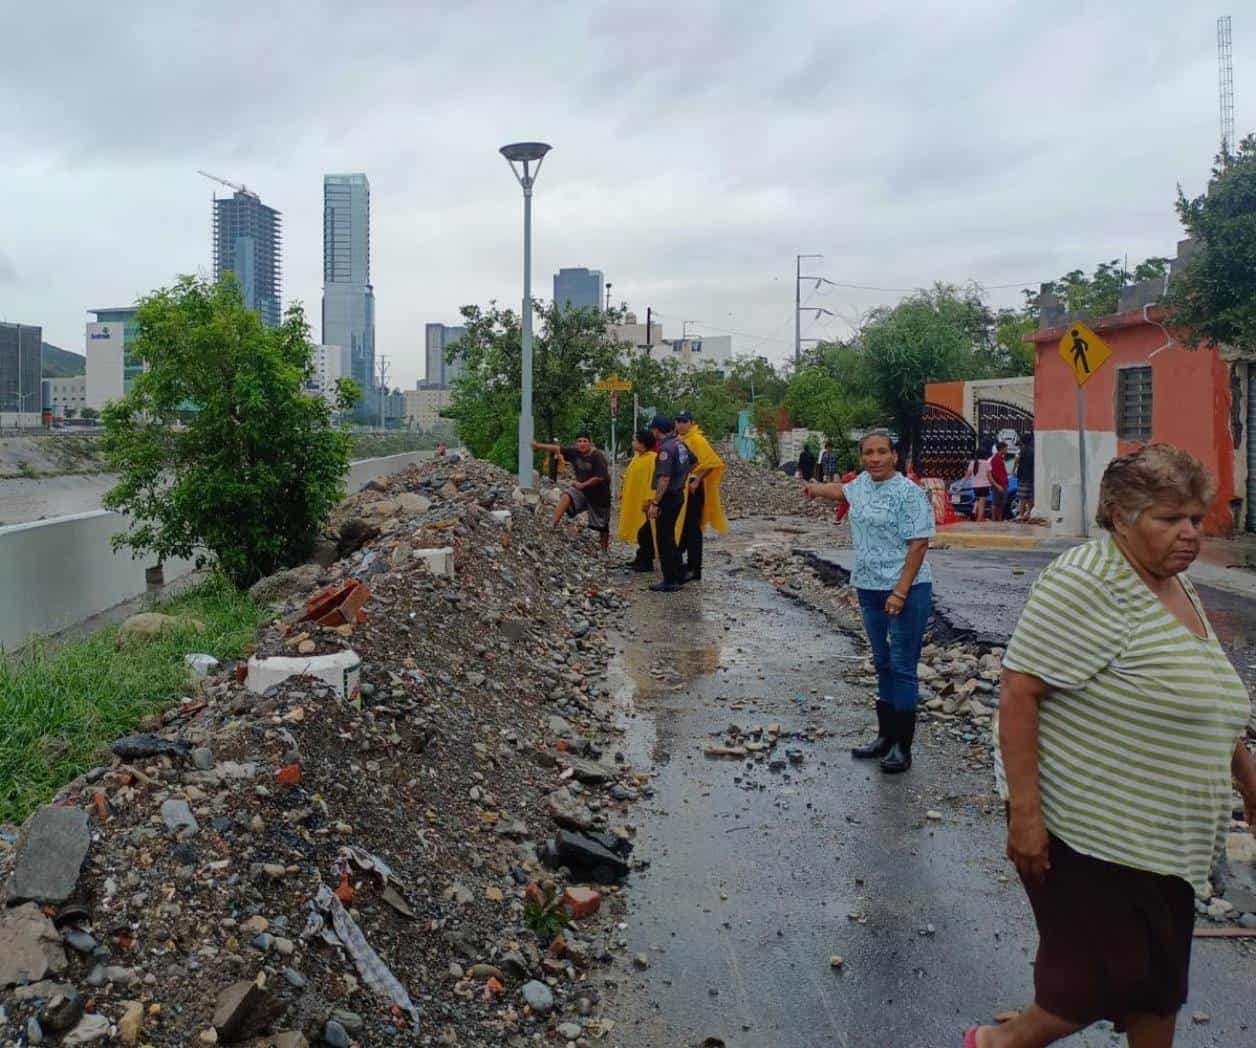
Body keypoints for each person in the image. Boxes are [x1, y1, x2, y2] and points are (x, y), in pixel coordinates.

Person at [968, 444, 1256, 1048]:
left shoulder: (1171, 581)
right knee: (1095, 987)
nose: (1189, 534)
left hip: (1161, 841)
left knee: (1156, 987)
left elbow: (1200, 696)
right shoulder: (1090, 580)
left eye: (1196, 520)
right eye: (1169, 518)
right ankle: (994, 1044)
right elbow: (1019, 691)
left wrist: (1248, 777)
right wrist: (1026, 817)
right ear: (1121, 516)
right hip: (1093, 832)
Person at [802, 429, 935, 773]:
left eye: (881, 452)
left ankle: (902, 748)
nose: (875, 459)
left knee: (903, 665)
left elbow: (919, 543)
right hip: (869, 587)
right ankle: (883, 737)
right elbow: (842, 492)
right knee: (882, 661)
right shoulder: (861, 484)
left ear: (894, 455)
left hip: (906, 589)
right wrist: (814, 489)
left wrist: (900, 592)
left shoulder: (909, 493)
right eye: (868, 453)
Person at [531, 434, 611, 552]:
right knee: (567, 495)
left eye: (585, 441)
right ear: (576, 443)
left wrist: (582, 484)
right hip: (582, 491)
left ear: (590, 443)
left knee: (602, 525)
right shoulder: (575, 452)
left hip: (599, 494)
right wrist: (537, 445)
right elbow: (557, 448)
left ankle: (604, 550)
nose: (582, 444)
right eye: (579, 441)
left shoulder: (597, 456)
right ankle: (552, 524)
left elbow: (599, 477)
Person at [675, 410, 728, 583]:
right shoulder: (682, 439)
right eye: (678, 421)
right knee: (682, 526)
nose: (680, 424)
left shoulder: (697, 440)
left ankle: (694, 568)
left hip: (693, 490)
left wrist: (697, 479)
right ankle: (681, 563)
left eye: (684, 421)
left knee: (692, 529)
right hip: (682, 488)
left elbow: (712, 463)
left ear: (691, 422)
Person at [645, 415, 691, 592]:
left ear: (657, 429)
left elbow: (664, 478)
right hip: (678, 493)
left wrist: (655, 502)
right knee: (670, 537)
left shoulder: (666, 448)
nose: (652, 432)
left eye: (653, 429)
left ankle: (669, 580)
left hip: (668, 496)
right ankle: (678, 574)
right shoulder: (680, 444)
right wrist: (682, 478)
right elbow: (693, 462)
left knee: (664, 539)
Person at [618, 429, 658, 572]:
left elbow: (653, 481)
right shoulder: (637, 457)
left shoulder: (652, 459)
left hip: (644, 503)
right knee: (640, 532)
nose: (632, 442)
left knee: (645, 533)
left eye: (635, 440)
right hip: (633, 500)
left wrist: (650, 500)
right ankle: (640, 558)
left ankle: (646, 561)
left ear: (642, 443)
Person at [966, 451, 993, 523]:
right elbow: (989, 477)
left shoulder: (972, 463)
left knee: (978, 502)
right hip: (984, 485)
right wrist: (994, 484)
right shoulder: (987, 463)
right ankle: (979, 520)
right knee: (982, 504)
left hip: (975, 486)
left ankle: (979, 517)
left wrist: (962, 484)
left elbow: (967, 475)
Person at [1016, 433, 1035, 522]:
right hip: (1031, 476)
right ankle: (1029, 514)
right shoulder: (1033, 451)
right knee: (1030, 497)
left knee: (1022, 498)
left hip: (1023, 477)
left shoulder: (1022, 451)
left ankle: (1021, 515)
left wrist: (1014, 472)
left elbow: (1018, 462)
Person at [990, 442, 1010, 522]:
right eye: (1006, 448)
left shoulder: (1000, 458)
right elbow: (994, 473)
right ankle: (994, 519)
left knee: (1001, 504)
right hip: (999, 484)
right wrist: (998, 485)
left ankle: (999, 519)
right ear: (1002, 449)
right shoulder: (996, 459)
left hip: (1002, 484)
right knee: (995, 503)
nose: (1007, 450)